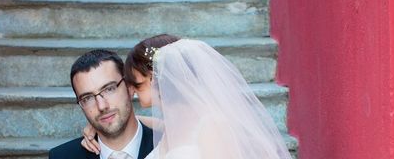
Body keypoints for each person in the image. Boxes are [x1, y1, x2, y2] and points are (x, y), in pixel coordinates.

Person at [84, 37, 291, 159]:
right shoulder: (176, 125)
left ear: (156, 78)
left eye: (138, 84)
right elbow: (150, 122)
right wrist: (100, 125)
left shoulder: (213, 126)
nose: (133, 91)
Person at [81, 35, 180, 154]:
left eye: (138, 84)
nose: (131, 89)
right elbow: (162, 125)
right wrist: (102, 121)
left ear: (157, 80)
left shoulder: (202, 127)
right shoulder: (178, 123)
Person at [49, 49, 154, 159]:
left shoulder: (169, 145)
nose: (102, 106)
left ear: (130, 87)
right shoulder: (61, 156)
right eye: (88, 98)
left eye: (109, 89)